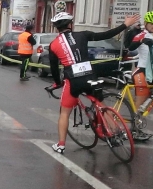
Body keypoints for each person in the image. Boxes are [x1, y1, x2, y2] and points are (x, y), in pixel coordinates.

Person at [47, 12, 140, 153]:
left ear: (56, 28)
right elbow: (106, 35)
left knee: (64, 113)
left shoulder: (53, 45)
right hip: (90, 76)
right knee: (101, 104)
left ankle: (60, 145)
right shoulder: (83, 35)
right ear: (70, 24)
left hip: (73, 81)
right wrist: (125, 25)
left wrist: (57, 83)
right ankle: (117, 132)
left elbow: (54, 69)